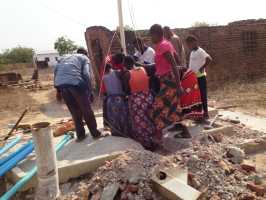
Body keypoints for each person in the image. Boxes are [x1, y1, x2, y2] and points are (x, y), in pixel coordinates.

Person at [54, 47, 101, 142]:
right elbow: (86, 74)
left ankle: (80, 135)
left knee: (74, 111)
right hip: (75, 83)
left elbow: (56, 72)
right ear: (86, 54)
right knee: (86, 109)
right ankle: (95, 133)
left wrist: (58, 90)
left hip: (61, 85)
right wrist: (90, 90)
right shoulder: (84, 58)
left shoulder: (64, 58)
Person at [149, 24, 184, 141]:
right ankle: (180, 132)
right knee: (173, 106)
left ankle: (158, 135)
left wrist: (179, 85)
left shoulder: (162, 46)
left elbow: (174, 64)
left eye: (151, 36)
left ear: (157, 34)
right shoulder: (166, 44)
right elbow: (177, 59)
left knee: (156, 108)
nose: (151, 39)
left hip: (169, 80)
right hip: (167, 79)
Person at [122, 56, 155, 150]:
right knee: (150, 120)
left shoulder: (127, 74)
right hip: (148, 97)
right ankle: (153, 140)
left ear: (126, 64)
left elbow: (127, 90)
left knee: (140, 123)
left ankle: (146, 144)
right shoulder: (143, 69)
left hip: (137, 100)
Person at [186, 35, 212, 119]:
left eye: (189, 44)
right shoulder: (192, 52)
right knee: (197, 96)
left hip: (200, 77)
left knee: (203, 95)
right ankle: (199, 114)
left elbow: (209, 59)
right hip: (193, 78)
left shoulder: (200, 51)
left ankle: (206, 113)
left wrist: (202, 67)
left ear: (194, 42)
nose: (188, 46)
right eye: (187, 45)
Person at [102, 63, 130, 137]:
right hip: (120, 99)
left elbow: (105, 91)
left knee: (114, 119)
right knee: (123, 117)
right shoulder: (118, 73)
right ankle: (126, 133)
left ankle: (117, 134)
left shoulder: (104, 77)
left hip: (110, 101)